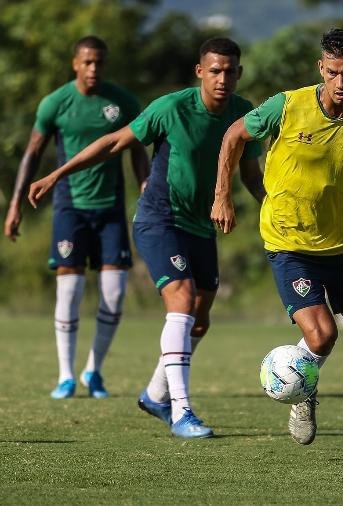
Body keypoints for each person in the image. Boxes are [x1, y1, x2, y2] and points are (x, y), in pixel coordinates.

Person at [29, 37, 264, 439]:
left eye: (229, 71)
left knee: (200, 321)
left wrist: (273, 209)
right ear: (200, 72)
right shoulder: (170, 108)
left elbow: (249, 174)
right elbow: (113, 143)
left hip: (201, 227)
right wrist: (56, 173)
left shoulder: (244, 115)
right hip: (159, 220)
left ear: (239, 73)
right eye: (214, 71)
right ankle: (181, 412)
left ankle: (156, 394)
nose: (222, 78)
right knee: (183, 299)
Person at [211, 28, 343, 462]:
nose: (341, 82)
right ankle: (300, 387)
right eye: (333, 72)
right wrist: (222, 195)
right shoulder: (286, 105)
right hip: (289, 243)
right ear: (321, 68)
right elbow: (233, 137)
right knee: (323, 335)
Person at [4, 36, 147, 399]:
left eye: (99, 62)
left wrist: (146, 186)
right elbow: (32, 155)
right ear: (75, 64)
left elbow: (137, 150)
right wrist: (16, 205)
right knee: (70, 291)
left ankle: (93, 372)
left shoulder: (123, 102)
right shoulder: (55, 103)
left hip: (111, 208)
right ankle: (65, 376)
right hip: (70, 208)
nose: (93, 68)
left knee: (113, 295)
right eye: (87, 62)